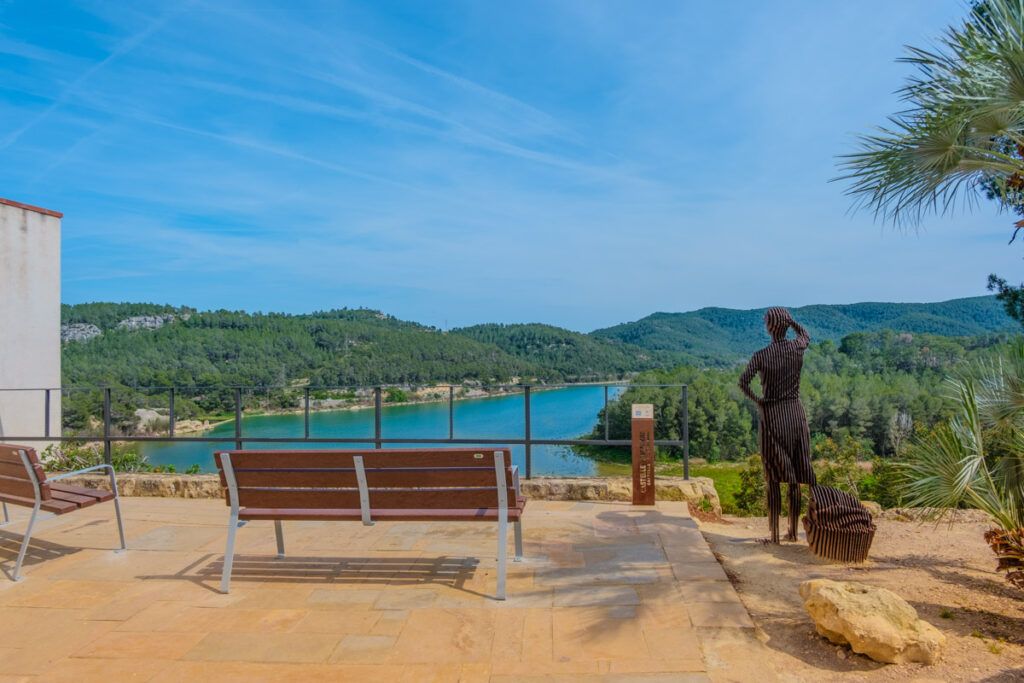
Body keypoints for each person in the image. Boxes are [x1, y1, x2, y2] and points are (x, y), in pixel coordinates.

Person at [738, 307, 816, 543]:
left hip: (772, 414)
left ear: (769, 327)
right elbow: (806, 335)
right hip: (794, 413)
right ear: (785, 325)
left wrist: (760, 401)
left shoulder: (761, 355)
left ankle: (774, 535)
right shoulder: (797, 347)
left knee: (774, 475)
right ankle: (792, 531)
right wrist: (792, 321)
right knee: (797, 472)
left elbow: (743, 383)